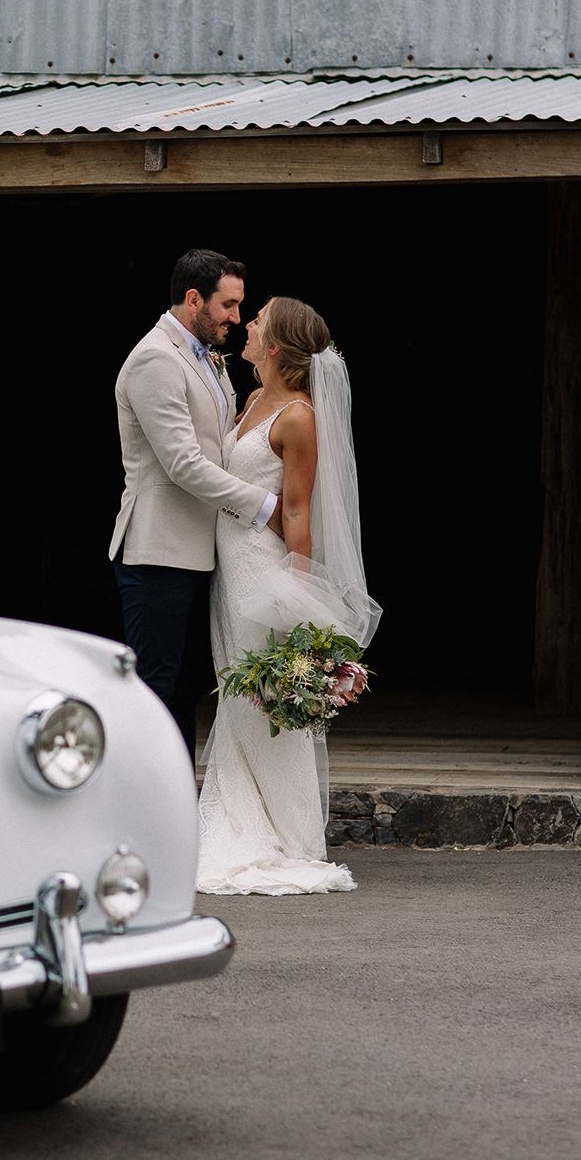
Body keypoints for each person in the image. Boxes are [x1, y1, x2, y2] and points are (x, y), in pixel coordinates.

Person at [196, 296, 380, 896]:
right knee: (235, 687)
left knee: (259, 698)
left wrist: (298, 599)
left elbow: (297, 510)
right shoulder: (252, 400)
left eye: (257, 322)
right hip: (230, 570)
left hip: (264, 574)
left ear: (274, 346)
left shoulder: (299, 416)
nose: (245, 326)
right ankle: (238, 814)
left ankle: (282, 835)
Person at [111, 250, 279, 758]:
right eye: (227, 305)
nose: (235, 317)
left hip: (199, 550)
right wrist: (263, 505)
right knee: (155, 689)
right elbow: (183, 464)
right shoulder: (154, 360)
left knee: (184, 688)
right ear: (192, 300)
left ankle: (179, 805)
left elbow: (220, 441)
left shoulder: (206, 355)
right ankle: (146, 810)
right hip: (157, 552)